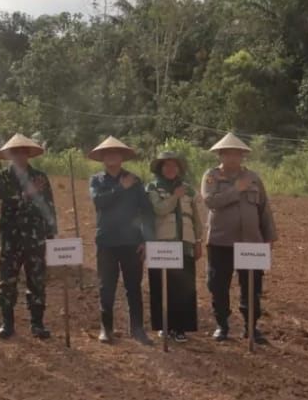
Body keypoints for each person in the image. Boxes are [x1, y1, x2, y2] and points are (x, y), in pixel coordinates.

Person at [202, 132, 278, 344]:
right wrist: (236, 190)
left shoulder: (253, 177)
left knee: (252, 286)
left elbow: (264, 208)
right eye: (228, 154)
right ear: (220, 155)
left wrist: (269, 236)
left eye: (237, 154)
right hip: (220, 242)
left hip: (251, 242)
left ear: (242, 155)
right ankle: (222, 326)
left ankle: (251, 327)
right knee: (218, 284)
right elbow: (210, 201)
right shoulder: (211, 177)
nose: (233, 158)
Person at [88, 136, 155, 345]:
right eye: (107, 153)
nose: (112, 156)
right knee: (106, 287)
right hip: (106, 242)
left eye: (116, 153)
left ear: (122, 157)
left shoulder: (135, 181)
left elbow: (146, 211)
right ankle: (106, 329)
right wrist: (120, 188)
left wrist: (146, 240)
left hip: (132, 242)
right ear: (102, 158)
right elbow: (99, 202)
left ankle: (137, 329)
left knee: (133, 287)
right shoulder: (96, 180)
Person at [0, 133, 56, 339]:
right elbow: (8, 200)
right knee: (7, 281)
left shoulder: (40, 177)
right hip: (11, 237)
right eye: (15, 152)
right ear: (10, 155)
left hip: (35, 236)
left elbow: (48, 204)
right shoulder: (2, 177)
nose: (20, 155)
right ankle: (7, 323)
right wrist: (29, 192)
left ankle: (37, 324)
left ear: (28, 154)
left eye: (23, 152)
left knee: (37, 280)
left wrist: (51, 231)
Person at [146, 151, 202, 343]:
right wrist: (175, 197)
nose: (170, 169)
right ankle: (164, 326)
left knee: (184, 287)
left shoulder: (189, 190)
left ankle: (181, 328)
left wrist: (198, 241)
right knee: (162, 285)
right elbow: (159, 209)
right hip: (162, 244)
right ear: (160, 169)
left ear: (179, 169)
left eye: (174, 166)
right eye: (166, 166)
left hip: (185, 243)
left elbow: (196, 218)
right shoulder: (153, 188)